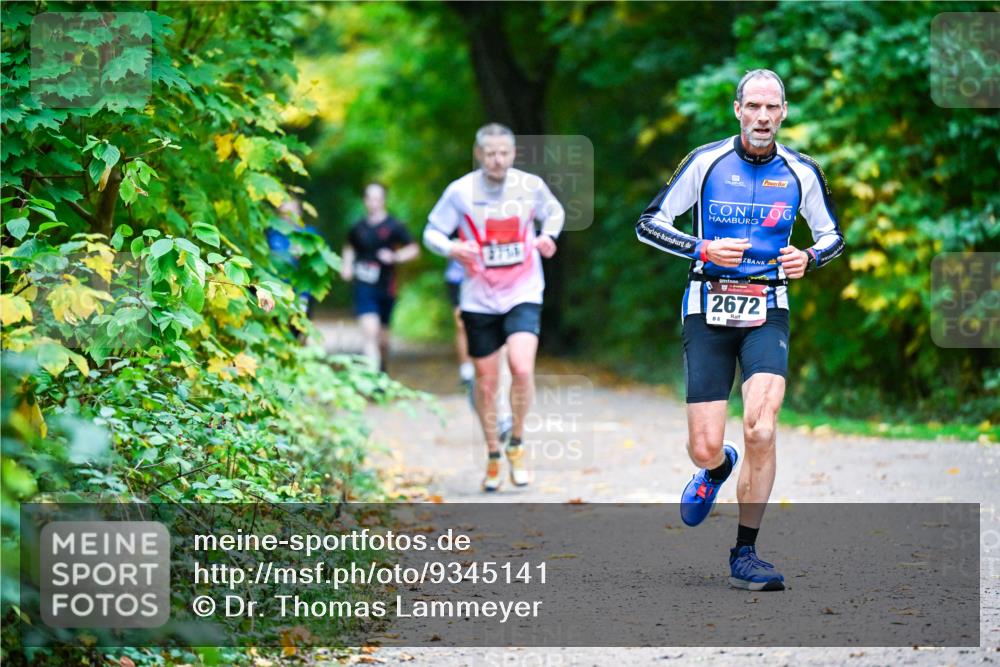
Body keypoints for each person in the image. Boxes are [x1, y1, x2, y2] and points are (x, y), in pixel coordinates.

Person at [635, 69, 845, 591]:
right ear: (737, 110)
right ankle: (715, 468)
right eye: (753, 106)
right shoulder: (706, 162)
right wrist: (700, 248)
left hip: (767, 307)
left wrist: (810, 257)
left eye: (772, 107)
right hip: (706, 305)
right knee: (705, 446)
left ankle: (746, 553)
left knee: (762, 427)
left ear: (784, 112)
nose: (762, 116)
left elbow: (832, 235)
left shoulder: (801, 171)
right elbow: (649, 222)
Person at [424, 123, 565, 492]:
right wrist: (451, 248)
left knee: (520, 368)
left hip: (523, 289)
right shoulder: (460, 192)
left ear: (513, 153)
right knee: (486, 383)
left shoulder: (529, 186)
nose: (498, 160)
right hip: (478, 296)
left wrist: (548, 236)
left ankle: (516, 443)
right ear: (479, 154)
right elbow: (432, 232)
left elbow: (555, 213)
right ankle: (492, 454)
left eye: (504, 153)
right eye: (490, 153)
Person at [341, 182, 419, 372]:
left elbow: (413, 249)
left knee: (382, 338)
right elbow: (349, 247)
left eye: (377, 198)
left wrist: (395, 256)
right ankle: (374, 378)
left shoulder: (394, 226)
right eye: (369, 198)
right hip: (363, 285)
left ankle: (381, 368)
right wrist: (347, 266)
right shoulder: (357, 227)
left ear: (383, 201)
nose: (373, 203)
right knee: (370, 332)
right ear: (365, 201)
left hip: (386, 286)